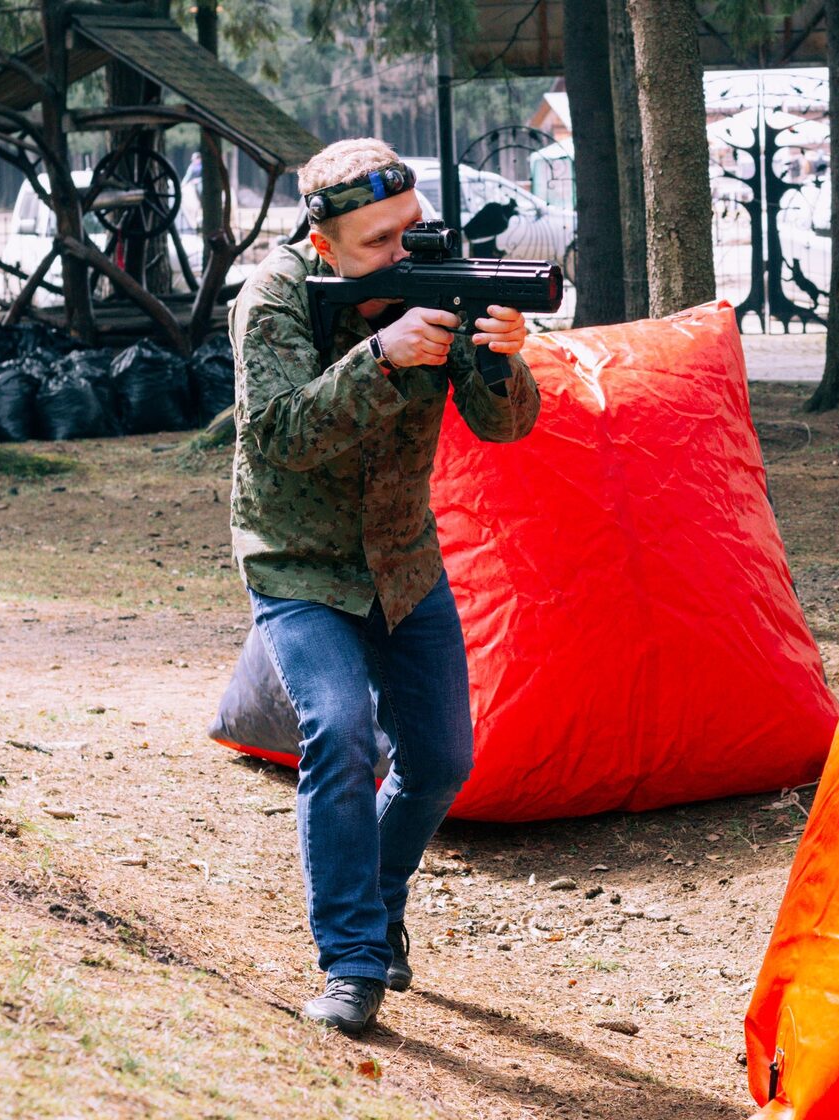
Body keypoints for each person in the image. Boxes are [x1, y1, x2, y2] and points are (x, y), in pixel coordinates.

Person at [228, 138, 540, 1035]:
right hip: (298, 559)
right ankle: (354, 961)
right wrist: (384, 356)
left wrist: (497, 353)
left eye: (409, 231)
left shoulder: (432, 277)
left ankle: (376, 894)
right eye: (377, 243)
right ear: (324, 245)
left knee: (442, 760)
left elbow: (505, 426)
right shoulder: (275, 299)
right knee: (339, 732)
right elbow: (280, 434)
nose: (403, 254)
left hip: (402, 557)